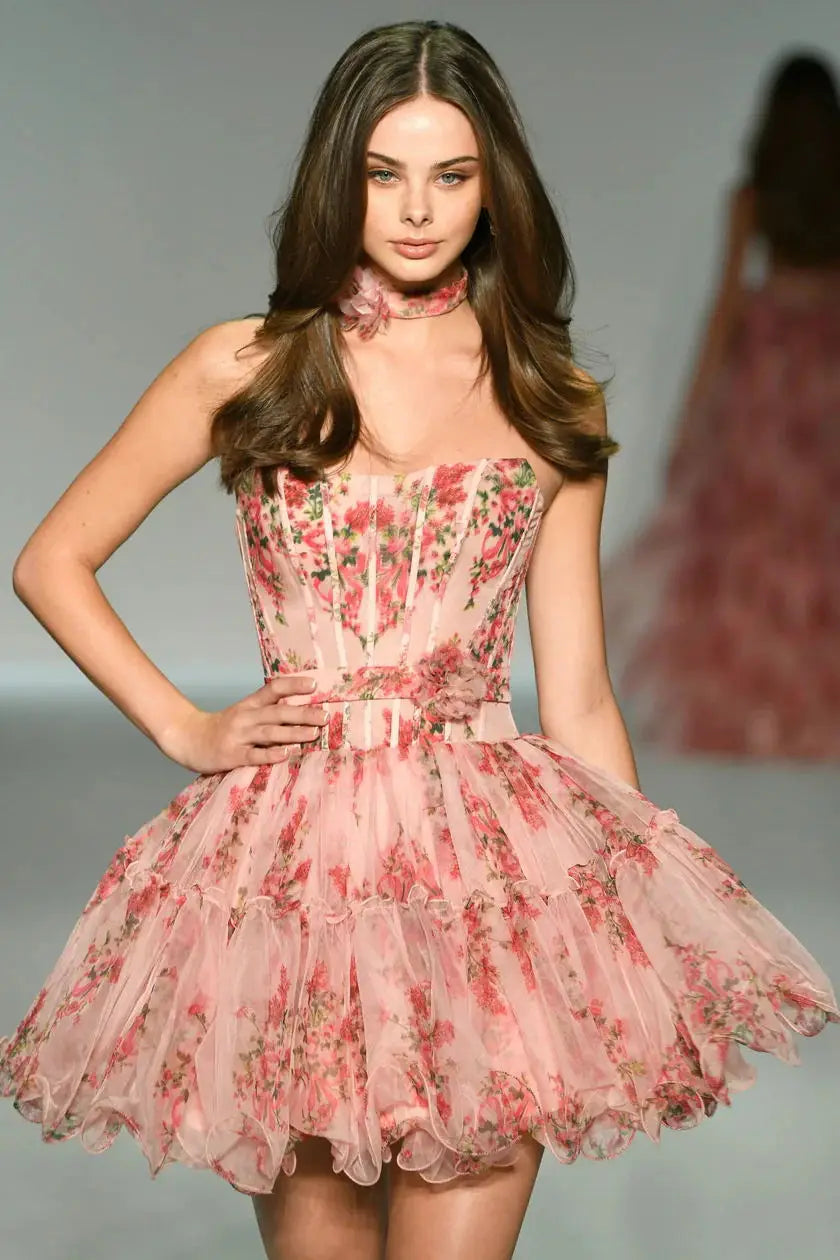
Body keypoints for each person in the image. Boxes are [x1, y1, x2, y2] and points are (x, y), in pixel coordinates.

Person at [1, 22, 837, 1260]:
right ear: (337, 177)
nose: (414, 210)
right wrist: (186, 725)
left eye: (450, 175)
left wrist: (630, 927)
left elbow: (581, 694)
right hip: (298, 883)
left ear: (495, 187)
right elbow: (51, 559)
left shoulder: (548, 396)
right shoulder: (248, 365)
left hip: (484, 882)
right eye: (384, 173)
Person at [603, 50, 840, 760]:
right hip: (827, 364)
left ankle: (769, 711)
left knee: (761, 535)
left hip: (767, 367)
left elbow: (725, 307)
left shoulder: (753, 197)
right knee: (817, 533)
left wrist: (691, 421)